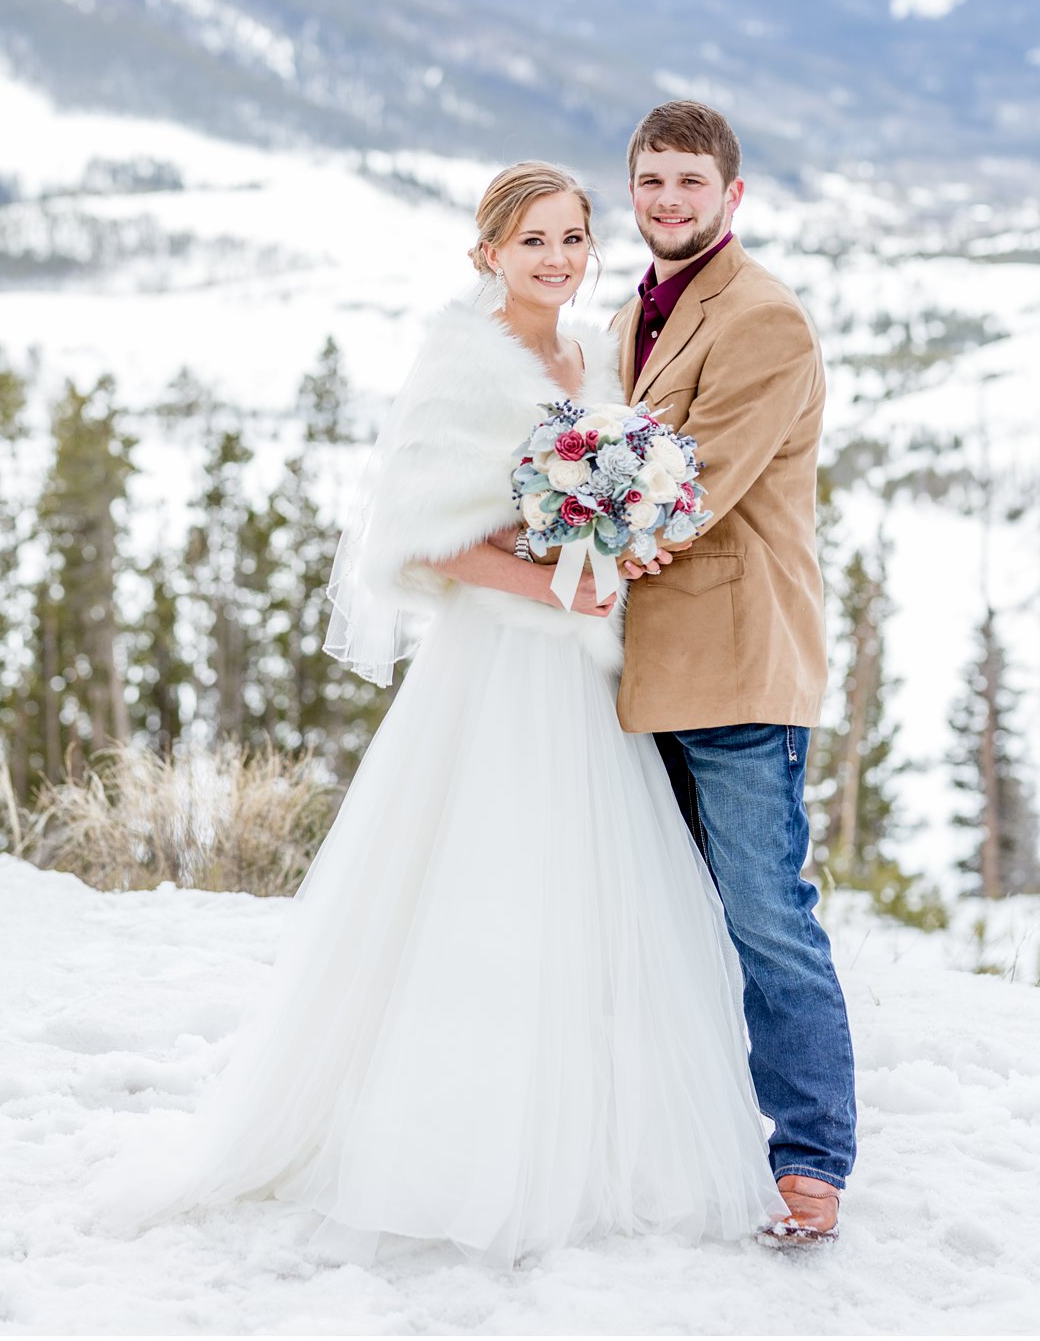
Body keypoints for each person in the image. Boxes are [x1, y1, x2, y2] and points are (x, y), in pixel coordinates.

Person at [109, 162, 781, 1263]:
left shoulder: (603, 352)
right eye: (532, 244)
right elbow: (418, 538)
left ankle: (596, 1141)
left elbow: (614, 492)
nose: (557, 259)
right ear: (488, 255)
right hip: (503, 668)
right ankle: (464, 1143)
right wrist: (562, 577)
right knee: (489, 891)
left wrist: (617, 539)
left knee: (591, 898)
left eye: (571, 238)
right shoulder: (461, 359)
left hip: (587, 672)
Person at [608, 100, 857, 1242]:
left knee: (765, 915)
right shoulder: (633, 318)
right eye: (652, 181)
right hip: (645, 665)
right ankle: (687, 1126)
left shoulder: (760, 319)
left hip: (737, 660)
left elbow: (687, 489)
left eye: (689, 184)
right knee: (669, 907)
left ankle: (811, 1158)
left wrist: (546, 537)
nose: (669, 201)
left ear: (731, 196)